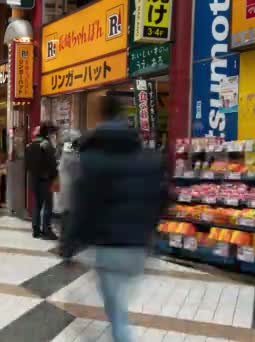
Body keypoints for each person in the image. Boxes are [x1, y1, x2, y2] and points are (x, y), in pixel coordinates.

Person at [69, 96, 167, 342]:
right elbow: (162, 198)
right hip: (137, 248)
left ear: (101, 118)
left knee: (117, 313)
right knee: (117, 303)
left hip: (107, 247)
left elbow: (81, 206)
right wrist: (152, 231)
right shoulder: (149, 158)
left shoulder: (90, 159)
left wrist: (69, 244)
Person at [25, 121, 59, 240]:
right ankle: (46, 230)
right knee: (48, 204)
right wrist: (55, 176)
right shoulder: (46, 144)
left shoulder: (30, 145)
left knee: (37, 204)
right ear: (48, 133)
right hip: (45, 179)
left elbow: (26, 165)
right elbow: (52, 163)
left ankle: (35, 229)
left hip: (33, 178)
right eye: (52, 132)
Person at [58, 129, 82, 259]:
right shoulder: (69, 154)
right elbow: (77, 169)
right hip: (69, 193)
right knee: (68, 222)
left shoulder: (67, 152)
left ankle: (65, 247)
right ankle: (66, 249)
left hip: (67, 193)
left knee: (66, 222)